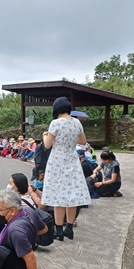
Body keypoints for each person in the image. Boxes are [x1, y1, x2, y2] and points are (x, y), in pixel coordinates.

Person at [41, 97, 91, 241]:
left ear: (56, 108)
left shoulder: (55, 123)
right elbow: (82, 141)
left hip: (57, 162)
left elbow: (47, 145)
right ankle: (69, 229)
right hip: (72, 161)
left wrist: (45, 135)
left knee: (58, 196)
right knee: (71, 196)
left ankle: (58, 231)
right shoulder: (77, 123)